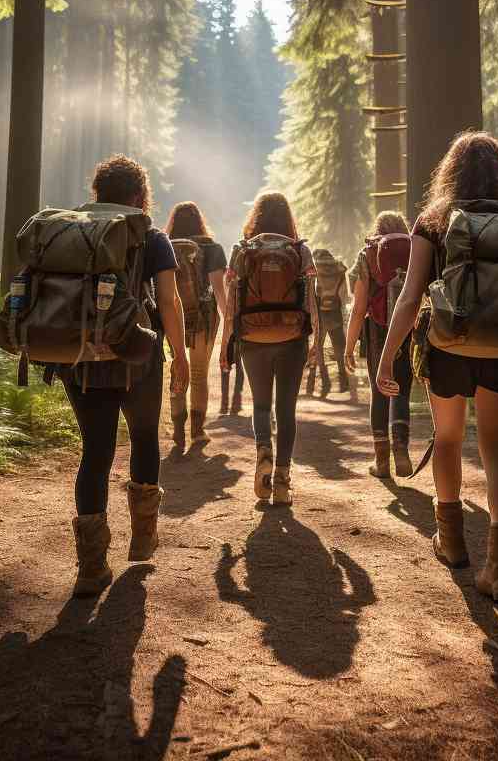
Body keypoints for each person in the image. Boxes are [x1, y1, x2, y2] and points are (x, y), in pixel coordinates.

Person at [377, 132, 498, 603]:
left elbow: (410, 294)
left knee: (450, 439)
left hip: (450, 347)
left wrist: (388, 355)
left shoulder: (434, 220)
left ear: (450, 173)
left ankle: (452, 541)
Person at [57, 156, 190, 598]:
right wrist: (182, 356)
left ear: (97, 193)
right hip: (138, 356)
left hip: (77, 357)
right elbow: (168, 303)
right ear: (139, 196)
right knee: (145, 436)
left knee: (95, 451)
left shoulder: (71, 230)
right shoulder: (152, 237)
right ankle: (142, 538)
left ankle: (91, 568)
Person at [220, 192, 318, 506]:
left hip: (252, 335)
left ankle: (264, 449)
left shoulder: (242, 249)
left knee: (261, 406)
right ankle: (283, 482)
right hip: (292, 336)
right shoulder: (300, 249)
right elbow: (311, 300)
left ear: (256, 217)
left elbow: (233, 301)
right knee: (286, 409)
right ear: (288, 218)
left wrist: (227, 343)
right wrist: (314, 337)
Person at [344, 211, 413, 479]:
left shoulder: (368, 253)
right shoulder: (414, 248)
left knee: (379, 390)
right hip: (408, 327)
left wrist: (349, 347)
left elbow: (359, 307)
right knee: (401, 390)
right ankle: (401, 449)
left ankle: (382, 461)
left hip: (377, 330)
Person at [164, 201, 229, 449]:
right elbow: (219, 291)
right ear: (199, 221)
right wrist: (229, 323)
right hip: (205, 315)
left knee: (178, 367)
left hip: (174, 315)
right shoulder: (212, 248)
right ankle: (197, 430)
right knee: (200, 373)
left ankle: (178, 427)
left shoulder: (165, 245)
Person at [306, 248, 352, 399]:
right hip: (335, 313)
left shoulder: (314, 268)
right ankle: (344, 382)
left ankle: (325, 383)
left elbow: (310, 294)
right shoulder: (338, 270)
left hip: (319, 314)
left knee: (318, 349)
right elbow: (344, 296)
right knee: (339, 349)